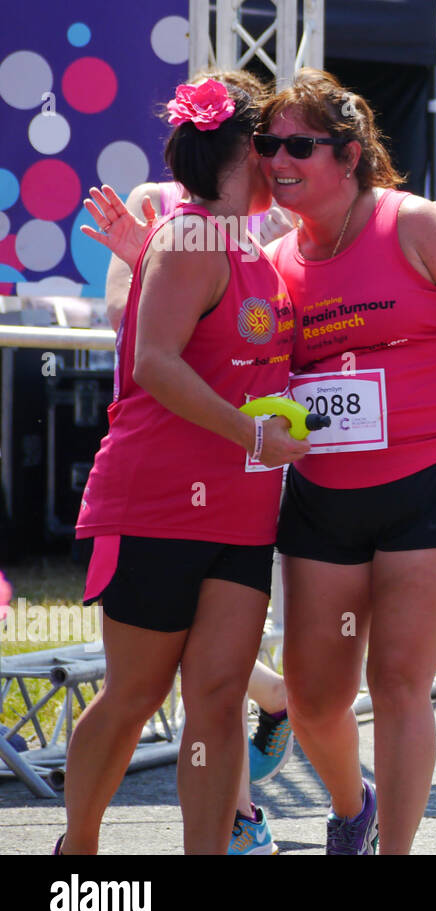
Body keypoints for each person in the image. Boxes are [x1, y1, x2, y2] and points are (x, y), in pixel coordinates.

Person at [258, 69, 436, 854]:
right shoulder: (271, 263)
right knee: (314, 698)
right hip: (325, 497)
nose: (277, 159)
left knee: (399, 681)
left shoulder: (417, 226)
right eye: (268, 144)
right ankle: (350, 806)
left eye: (299, 145)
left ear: (352, 155)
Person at [61, 77, 307, 854]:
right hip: (155, 501)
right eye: (275, 146)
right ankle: (79, 855)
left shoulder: (239, 246)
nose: (286, 162)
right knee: (134, 696)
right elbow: (157, 364)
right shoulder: (191, 235)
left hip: (240, 510)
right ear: (245, 152)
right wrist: (251, 435)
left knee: (219, 695)